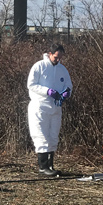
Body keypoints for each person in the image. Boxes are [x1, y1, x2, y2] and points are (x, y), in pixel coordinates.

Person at [26, 43, 73, 176]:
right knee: (41, 135)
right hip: (40, 106)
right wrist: (47, 91)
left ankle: (50, 165)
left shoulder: (62, 69)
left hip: (56, 107)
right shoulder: (39, 66)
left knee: (53, 136)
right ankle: (43, 167)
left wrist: (66, 92)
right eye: (56, 57)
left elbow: (68, 84)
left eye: (60, 58)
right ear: (50, 54)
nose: (58, 60)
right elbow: (31, 84)